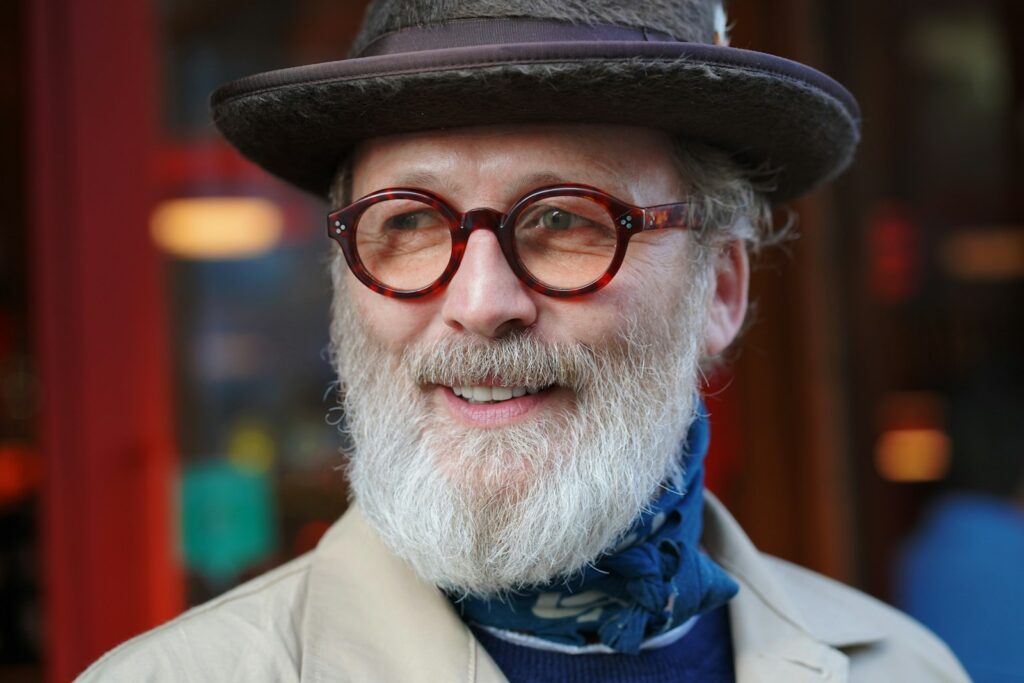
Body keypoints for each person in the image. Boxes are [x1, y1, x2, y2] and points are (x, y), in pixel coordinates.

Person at [79, 0, 970, 681]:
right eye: (408, 223)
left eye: (563, 219)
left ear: (721, 290)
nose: (480, 300)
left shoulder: (903, 667)